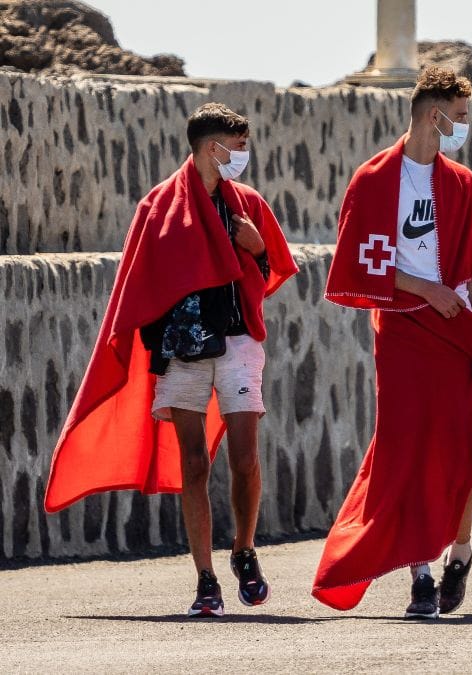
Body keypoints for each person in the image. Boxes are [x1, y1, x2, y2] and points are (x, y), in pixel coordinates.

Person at [44, 103, 298, 617]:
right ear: (213, 148)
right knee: (195, 463)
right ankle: (206, 580)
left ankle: (244, 551)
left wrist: (255, 249)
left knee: (245, 458)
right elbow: (137, 285)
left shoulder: (246, 202)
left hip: (237, 340)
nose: (244, 157)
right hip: (183, 352)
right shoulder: (158, 207)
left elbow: (273, 266)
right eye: (239, 147)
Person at [313, 67, 472, 618]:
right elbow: (360, 260)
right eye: (462, 117)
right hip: (402, 329)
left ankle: (460, 552)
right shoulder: (374, 178)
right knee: (406, 447)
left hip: (457, 332)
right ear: (436, 115)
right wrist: (424, 287)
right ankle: (420, 574)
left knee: (460, 445)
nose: (465, 128)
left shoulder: (460, 182)